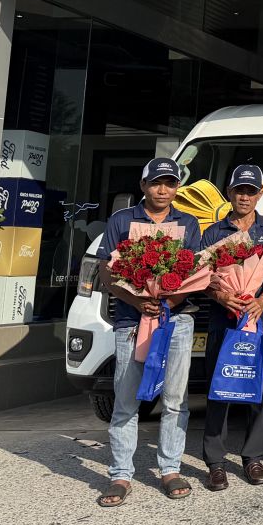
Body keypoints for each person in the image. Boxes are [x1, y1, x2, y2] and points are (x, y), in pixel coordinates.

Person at [96, 157, 203, 507]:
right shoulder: (122, 220)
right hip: (131, 322)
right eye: (156, 183)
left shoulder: (187, 223)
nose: (162, 189)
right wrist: (137, 301)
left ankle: (170, 469)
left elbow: (195, 271)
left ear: (177, 188)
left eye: (169, 183)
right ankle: (120, 474)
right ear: (143, 185)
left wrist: (167, 300)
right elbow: (107, 271)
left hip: (177, 322)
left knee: (175, 400)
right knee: (126, 400)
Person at [201, 163, 263, 490]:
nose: (244, 197)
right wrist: (220, 295)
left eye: (251, 191)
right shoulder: (213, 233)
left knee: (262, 386)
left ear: (260, 194)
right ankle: (215, 461)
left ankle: (253, 456)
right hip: (225, 317)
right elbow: (201, 277)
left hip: (262, 317)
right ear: (229, 193)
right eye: (239, 191)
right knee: (220, 384)